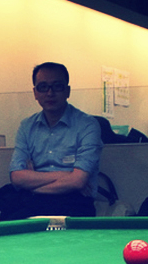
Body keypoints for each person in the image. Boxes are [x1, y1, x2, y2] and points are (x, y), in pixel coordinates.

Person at [6, 62, 103, 219]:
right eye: (43, 87)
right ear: (35, 93)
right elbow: (17, 177)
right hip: (33, 203)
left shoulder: (88, 125)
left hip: (75, 203)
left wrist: (32, 183)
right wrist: (68, 175)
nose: (50, 93)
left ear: (67, 91)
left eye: (57, 86)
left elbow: (78, 182)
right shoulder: (27, 126)